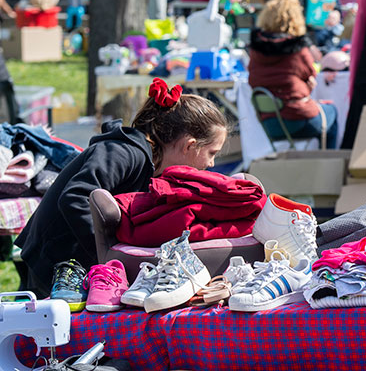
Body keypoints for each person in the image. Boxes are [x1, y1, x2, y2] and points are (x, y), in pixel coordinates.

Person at [14, 79, 228, 299]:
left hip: (77, 261)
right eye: (212, 153)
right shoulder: (124, 153)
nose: (211, 164)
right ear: (189, 145)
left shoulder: (151, 163)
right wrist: (111, 255)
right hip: (54, 259)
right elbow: (75, 197)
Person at [248, 0, 339, 149]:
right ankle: (329, 163)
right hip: (298, 118)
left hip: (270, 122)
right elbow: (311, 74)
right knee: (332, 112)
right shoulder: (297, 50)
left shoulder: (256, 51)